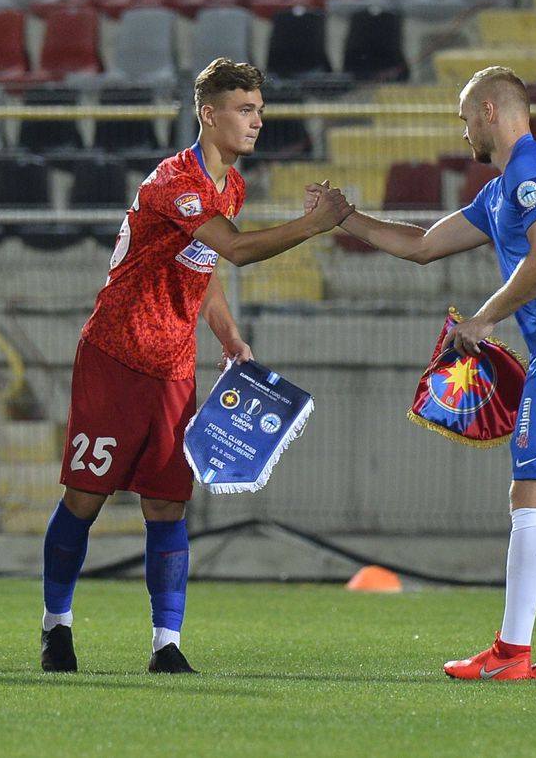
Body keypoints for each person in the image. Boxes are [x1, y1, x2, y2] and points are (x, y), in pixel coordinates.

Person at [308, 66, 536, 681]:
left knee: (529, 495)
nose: (463, 134)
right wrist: (344, 218)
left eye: (464, 119)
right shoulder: (504, 188)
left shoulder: (532, 171)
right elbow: (424, 245)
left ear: (489, 111)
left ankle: (510, 654)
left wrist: (485, 318)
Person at [39, 57, 354, 675]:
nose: (257, 121)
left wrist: (229, 335)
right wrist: (315, 224)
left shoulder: (229, 185)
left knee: (166, 505)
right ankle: (56, 627)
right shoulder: (175, 182)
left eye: (260, 110)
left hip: (174, 367)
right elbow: (234, 250)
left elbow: (203, 268)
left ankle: (166, 644)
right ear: (209, 114)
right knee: (85, 497)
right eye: (245, 109)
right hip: (115, 355)